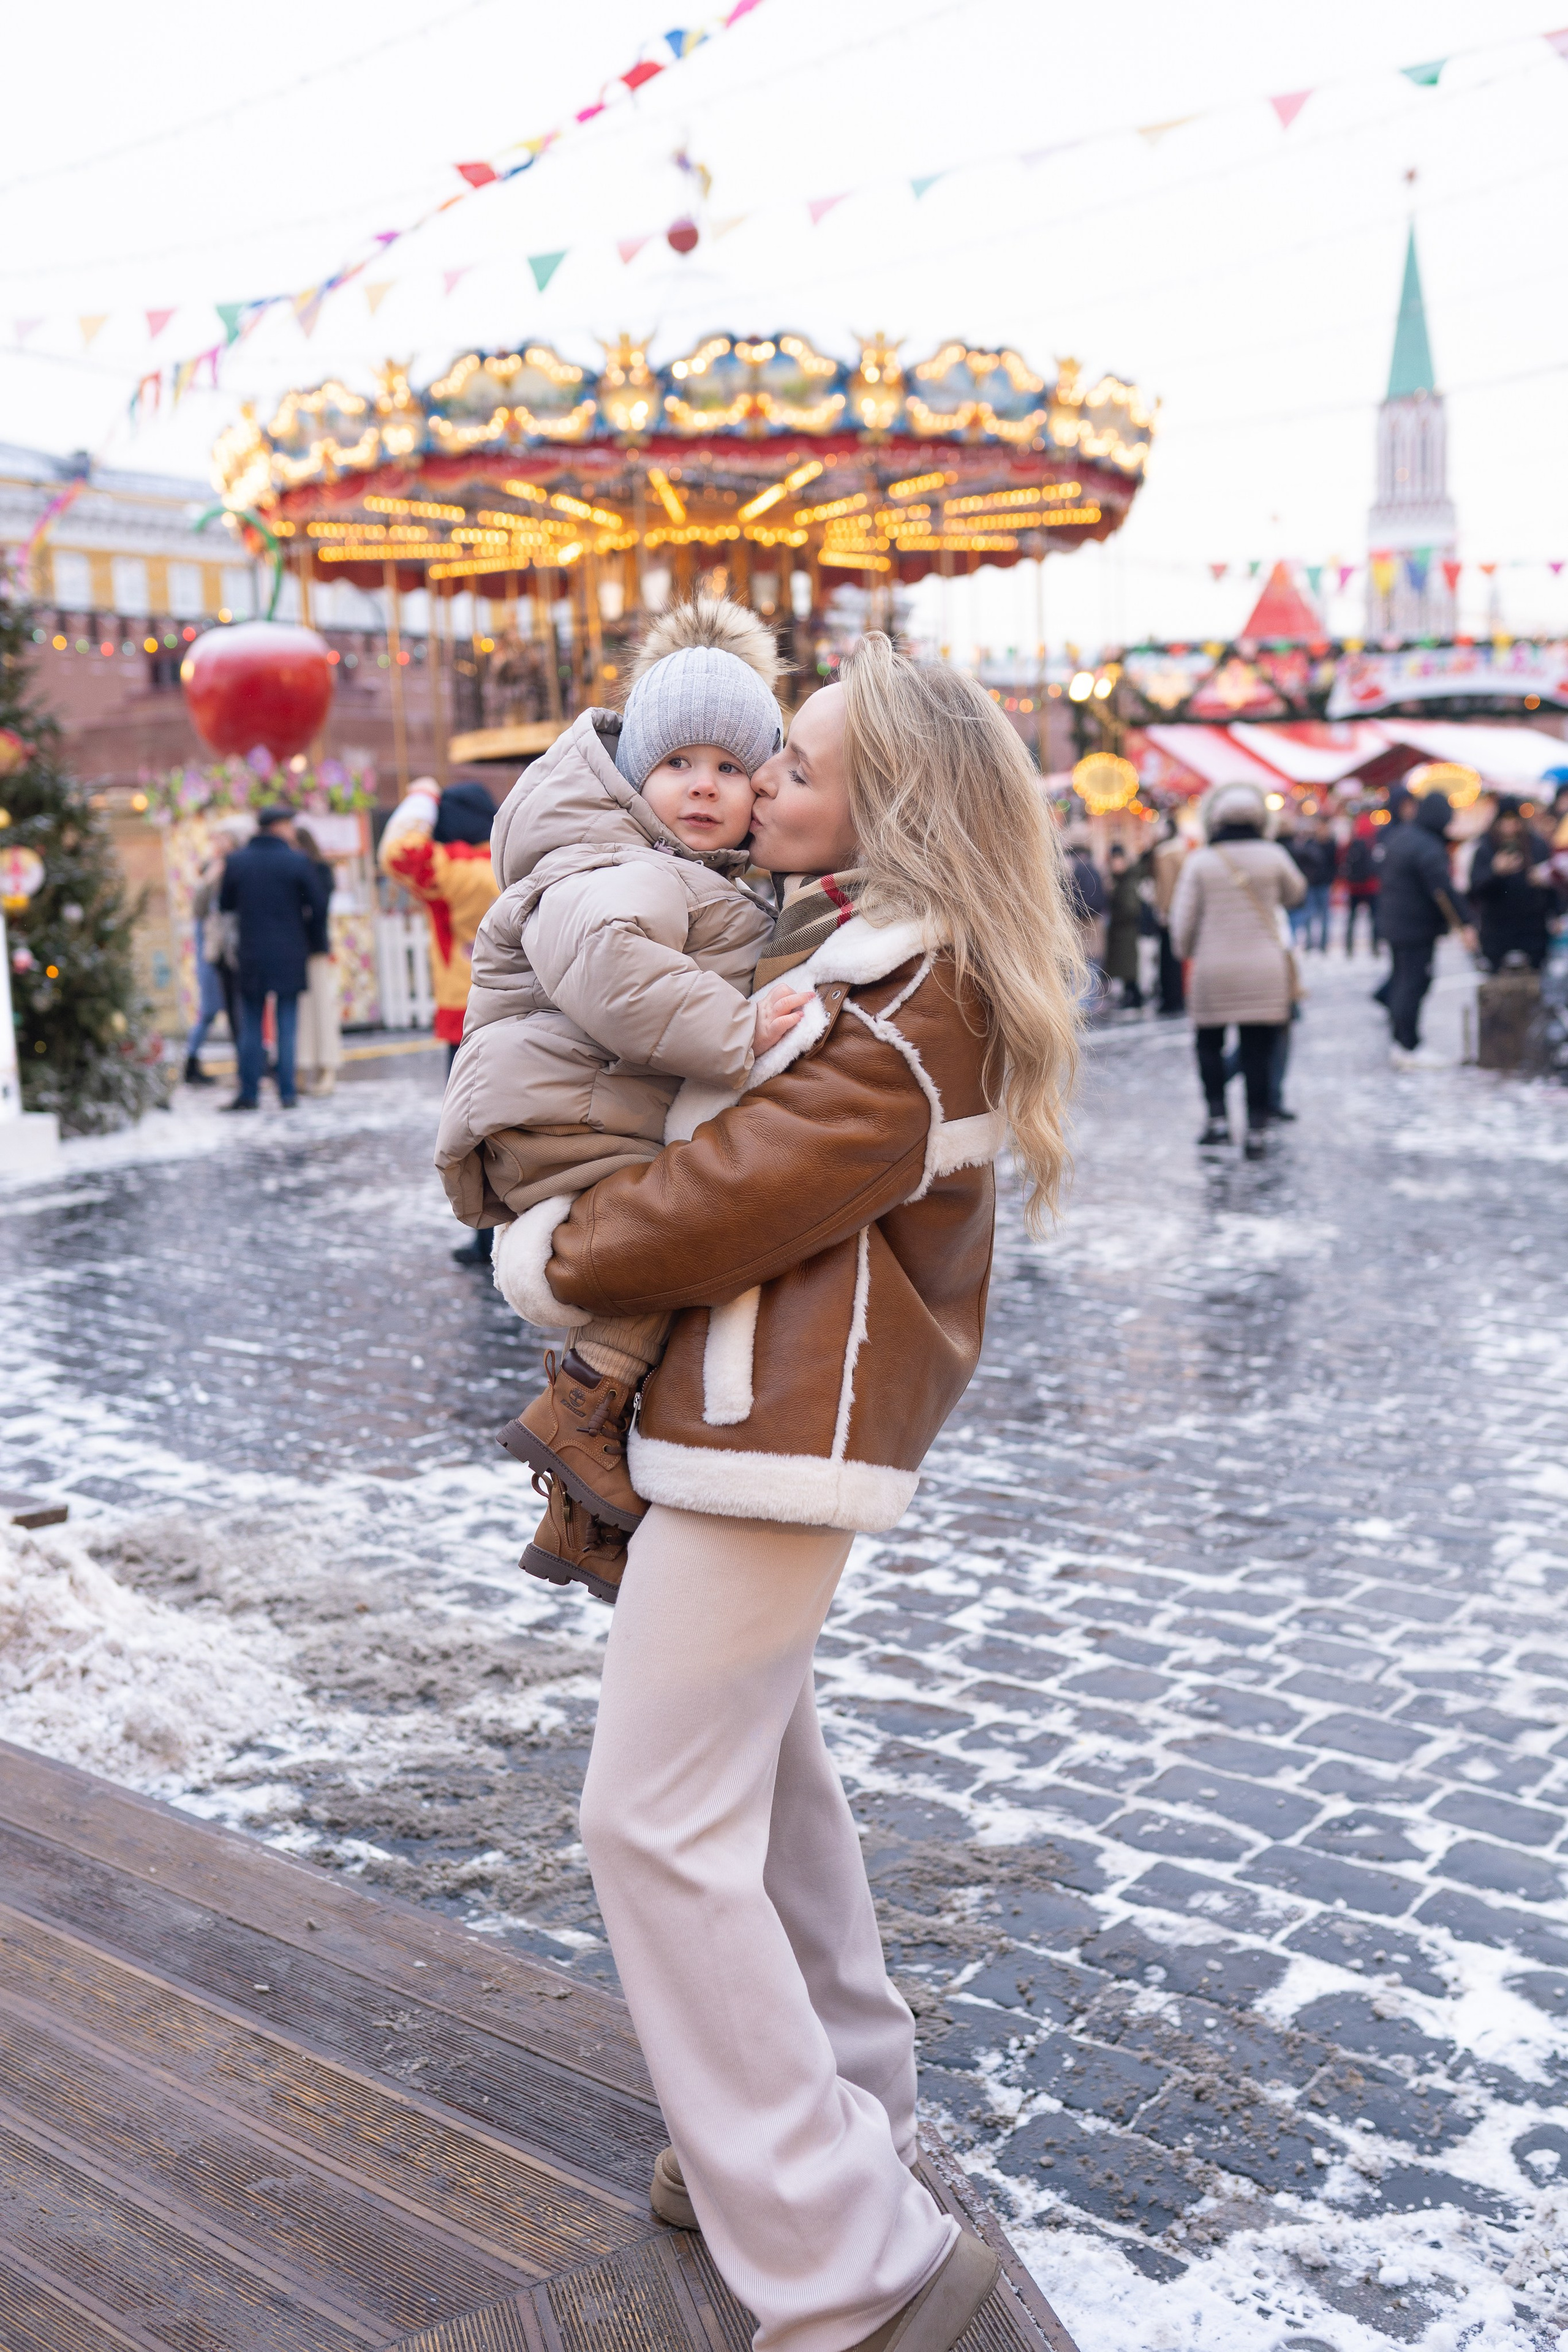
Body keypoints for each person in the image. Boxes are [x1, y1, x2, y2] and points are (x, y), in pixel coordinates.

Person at [500, 633, 1080, 2352]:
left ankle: (845, 2256)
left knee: (652, 1822)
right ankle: (841, 2117)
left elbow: (730, 1195)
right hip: (758, 1420)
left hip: (776, 1433)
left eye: (801, 769)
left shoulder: (920, 997)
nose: (764, 793)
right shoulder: (878, 959)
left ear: (888, 799)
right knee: (759, 1796)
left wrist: (554, 1247)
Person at [435, 600, 807, 1596]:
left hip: (576, 1102)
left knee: (694, 1245)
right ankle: (583, 1406)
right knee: (705, 1230)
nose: (704, 786)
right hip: (563, 1112)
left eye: (732, 770)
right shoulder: (618, 864)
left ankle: (581, 1510)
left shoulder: (678, 866)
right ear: (636, 772)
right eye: (680, 763)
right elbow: (606, 962)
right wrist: (736, 1033)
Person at [379, 775, 501, 1264]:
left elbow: (396, 850)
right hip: (524, 1005)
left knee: (470, 1129)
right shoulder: (514, 860)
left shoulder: (449, 870)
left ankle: (483, 1233)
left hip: (465, 1009)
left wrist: (422, 797)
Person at [1169, 781, 1305, 1156]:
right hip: (1264, 970)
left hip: (1213, 971)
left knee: (1209, 1044)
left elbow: (1182, 927)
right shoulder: (1275, 856)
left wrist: (1186, 952)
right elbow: (1297, 894)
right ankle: (1257, 1125)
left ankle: (1217, 1119)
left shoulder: (1201, 862)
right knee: (1257, 1050)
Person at [217, 807, 328, 1112]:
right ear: (279, 827)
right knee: (286, 1024)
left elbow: (225, 903)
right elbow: (318, 905)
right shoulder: (297, 861)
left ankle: (249, 1092)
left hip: (251, 951)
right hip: (291, 951)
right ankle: (287, 1093)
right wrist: (308, 936)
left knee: (251, 1024)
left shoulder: (237, 861)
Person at [1371, 788, 1472, 1066]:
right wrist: (1465, 923)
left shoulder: (1403, 837)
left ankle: (1402, 1040)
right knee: (1413, 984)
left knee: (1404, 980)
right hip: (1415, 927)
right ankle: (1408, 1044)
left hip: (1397, 924)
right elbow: (1443, 890)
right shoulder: (1426, 845)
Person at [1467, 801, 1555, 973]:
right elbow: (1476, 890)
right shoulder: (1485, 849)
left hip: (1532, 928)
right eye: (1505, 821)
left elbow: (1552, 882)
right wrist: (1495, 872)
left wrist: (1542, 880)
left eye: (1514, 821)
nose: (1510, 827)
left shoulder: (1536, 845)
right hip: (1497, 929)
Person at [291, 824, 343, 1096]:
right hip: (298, 950)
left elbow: (319, 909)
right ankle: (303, 1067)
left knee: (320, 1010)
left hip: (312, 949)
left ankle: (325, 1068)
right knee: (302, 1013)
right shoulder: (312, 869)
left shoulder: (319, 871)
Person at [182, 842, 239, 1087]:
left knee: (215, 1015)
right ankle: (191, 1063)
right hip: (212, 965)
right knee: (211, 1014)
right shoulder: (207, 901)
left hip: (211, 964)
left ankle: (192, 1063)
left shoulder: (206, 900)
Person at [1150, 815, 1191, 1012]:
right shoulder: (1182, 850)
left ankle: (1170, 999)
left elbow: (1165, 885)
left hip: (1169, 912)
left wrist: (1163, 909)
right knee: (1176, 957)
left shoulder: (1165, 853)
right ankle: (1177, 998)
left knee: (1167, 958)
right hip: (1180, 908)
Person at [1063, 831, 1107, 995]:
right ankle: (1085, 1007)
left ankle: (1083, 1009)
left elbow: (1088, 903)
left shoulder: (1080, 871)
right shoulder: (1093, 869)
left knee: (1084, 971)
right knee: (1089, 969)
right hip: (1091, 929)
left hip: (1084, 930)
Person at [1102, 841, 1144, 1008]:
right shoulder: (1117, 880)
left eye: (1119, 859)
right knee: (1126, 969)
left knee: (1129, 969)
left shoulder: (1127, 881)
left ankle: (1134, 997)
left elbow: (1131, 908)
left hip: (1126, 932)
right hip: (1121, 932)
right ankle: (1131, 996)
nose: (1116, 863)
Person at [1292, 813, 1338, 951]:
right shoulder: (1309, 843)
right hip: (1311, 884)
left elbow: (1334, 864)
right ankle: (1309, 944)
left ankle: (1323, 945)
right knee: (1309, 914)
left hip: (1324, 883)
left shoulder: (1331, 844)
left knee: (1325, 915)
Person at [1341, 812, 1380, 955]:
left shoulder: (1353, 840)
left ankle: (1349, 947)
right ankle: (1375, 947)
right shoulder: (1373, 840)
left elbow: (1342, 858)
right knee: (1374, 919)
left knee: (1351, 919)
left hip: (1354, 887)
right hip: (1371, 886)